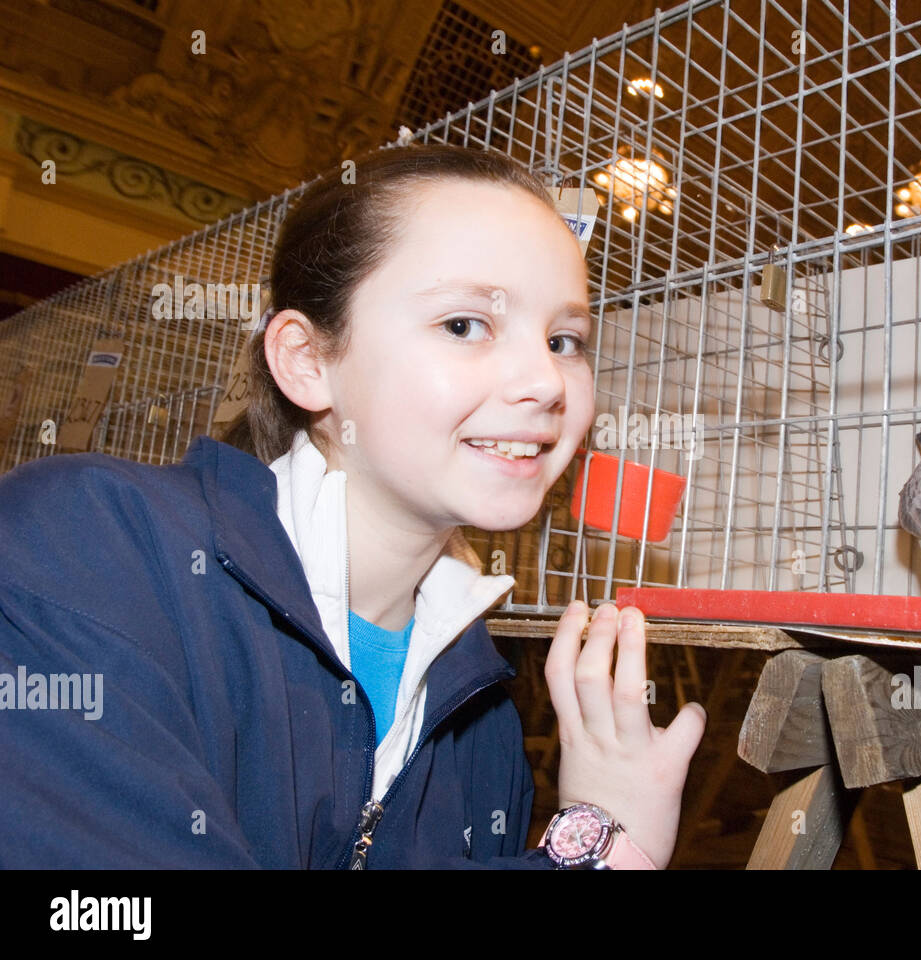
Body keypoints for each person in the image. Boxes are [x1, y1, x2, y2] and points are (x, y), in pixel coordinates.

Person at [0, 143, 706, 869]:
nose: (547, 382)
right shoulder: (85, 547)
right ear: (307, 361)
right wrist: (600, 852)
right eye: (465, 325)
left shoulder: (479, 707)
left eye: (565, 340)